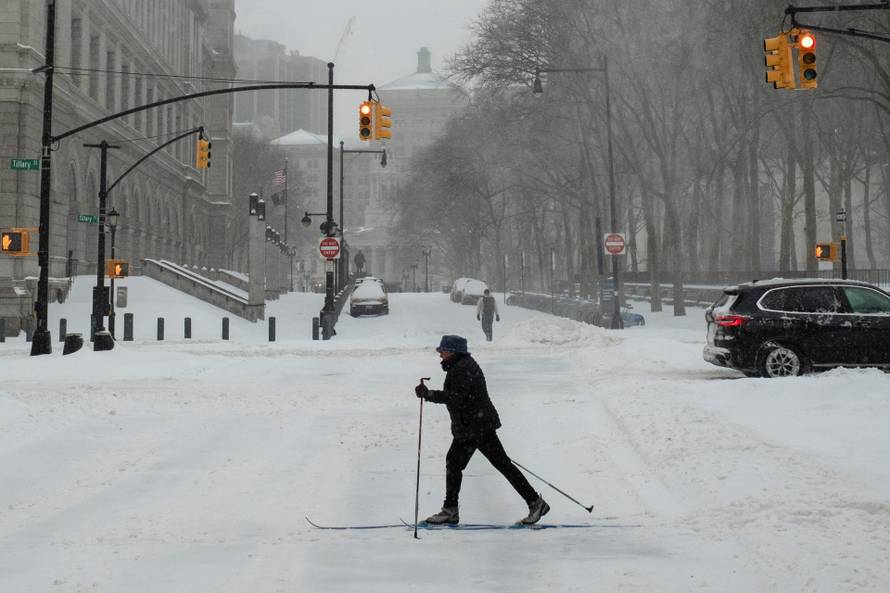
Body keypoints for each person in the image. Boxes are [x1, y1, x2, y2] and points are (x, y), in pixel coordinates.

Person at [414, 335, 549, 525]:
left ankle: (450, 510)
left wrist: (429, 394)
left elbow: (456, 397)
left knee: (455, 463)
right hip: (476, 425)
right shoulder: (461, 366)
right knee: (500, 464)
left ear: (453, 352)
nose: (440, 355)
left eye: (442, 351)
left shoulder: (462, 369)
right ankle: (535, 502)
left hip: (474, 427)